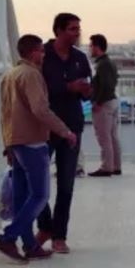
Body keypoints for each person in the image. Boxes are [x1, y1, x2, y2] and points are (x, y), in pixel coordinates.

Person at [0, 34, 78, 264]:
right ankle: (8, 238)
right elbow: (40, 110)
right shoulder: (32, 75)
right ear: (33, 52)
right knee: (40, 195)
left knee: (23, 197)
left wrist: (8, 143)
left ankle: (30, 245)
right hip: (32, 141)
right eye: (41, 51)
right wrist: (65, 131)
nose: (44, 55)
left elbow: (5, 113)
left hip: (17, 141)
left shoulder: (10, 75)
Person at [37, 13, 92, 254]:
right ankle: (45, 226)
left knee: (66, 184)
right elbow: (36, 89)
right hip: (45, 127)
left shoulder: (80, 58)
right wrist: (67, 87)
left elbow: (88, 88)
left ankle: (59, 236)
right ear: (58, 30)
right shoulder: (42, 56)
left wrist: (86, 91)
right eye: (71, 29)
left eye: (78, 28)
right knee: (37, 181)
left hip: (72, 125)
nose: (77, 33)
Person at [88, 33, 122, 177]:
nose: (89, 49)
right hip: (112, 101)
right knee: (112, 136)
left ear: (96, 47)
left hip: (105, 103)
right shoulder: (109, 62)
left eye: (90, 46)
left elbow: (105, 85)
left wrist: (98, 102)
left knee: (104, 137)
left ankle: (107, 166)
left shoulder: (102, 64)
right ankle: (115, 166)